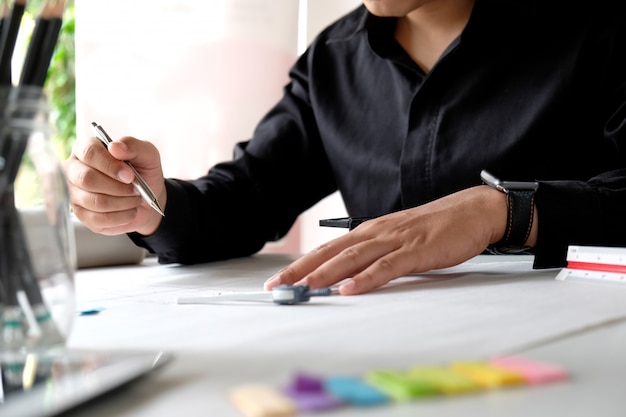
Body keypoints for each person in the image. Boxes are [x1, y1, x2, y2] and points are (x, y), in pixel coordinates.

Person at [64, 0, 626, 296]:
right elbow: (246, 197)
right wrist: (152, 205)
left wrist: (502, 211)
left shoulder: (600, 27)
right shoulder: (333, 61)